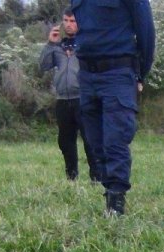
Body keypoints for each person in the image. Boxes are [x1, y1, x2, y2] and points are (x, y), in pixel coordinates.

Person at [70, 0, 155, 216]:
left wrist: (140, 72)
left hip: (117, 72)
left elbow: (146, 31)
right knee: (95, 141)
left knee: (115, 139)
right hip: (87, 74)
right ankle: (109, 190)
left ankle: (116, 202)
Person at [39, 10, 98, 183]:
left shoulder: (87, 44)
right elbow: (43, 66)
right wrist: (50, 43)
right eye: (66, 20)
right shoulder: (58, 47)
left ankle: (96, 177)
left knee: (90, 140)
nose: (69, 24)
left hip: (83, 98)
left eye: (72, 20)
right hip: (63, 100)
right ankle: (71, 176)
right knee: (65, 141)